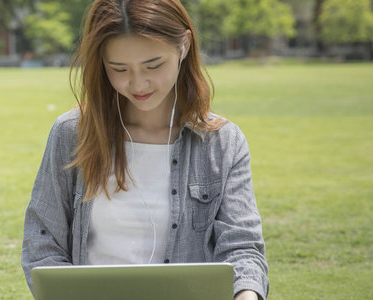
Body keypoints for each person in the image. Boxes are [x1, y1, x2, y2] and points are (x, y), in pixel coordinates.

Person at [21, 0, 269, 299]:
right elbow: (43, 244)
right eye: (119, 68)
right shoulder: (71, 133)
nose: (138, 83)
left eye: (153, 65)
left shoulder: (223, 142)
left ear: (184, 46)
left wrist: (246, 294)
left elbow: (242, 248)